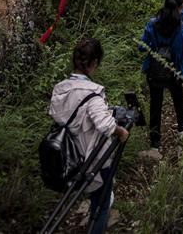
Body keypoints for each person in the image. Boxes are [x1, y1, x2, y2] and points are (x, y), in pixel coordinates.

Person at [48, 38, 130, 234]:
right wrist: (121, 132)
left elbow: (58, 114)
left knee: (91, 194)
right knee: (101, 205)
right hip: (92, 157)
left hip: (68, 155)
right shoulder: (92, 93)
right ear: (94, 62)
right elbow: (105, 125)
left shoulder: (60, 88)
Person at [140, 0, 183, 150]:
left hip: (154, 70)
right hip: (175, 71)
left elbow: (141, 47)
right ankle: (182, 127)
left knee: (155, 104)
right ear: (182, 6)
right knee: (178, 98)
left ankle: (155, 142)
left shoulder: (152, 24)